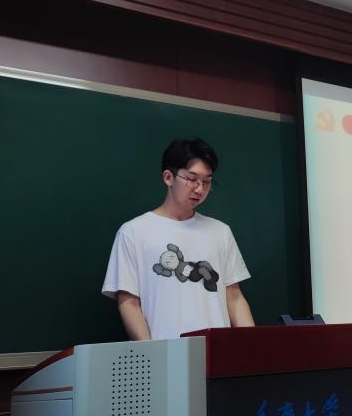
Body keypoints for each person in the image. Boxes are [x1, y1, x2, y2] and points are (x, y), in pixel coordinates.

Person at [102, 137, 254, 340]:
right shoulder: (133, 232)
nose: (200, 189)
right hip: (165, 352)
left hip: (218, 352)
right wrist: (151, 352)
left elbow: (234, 296)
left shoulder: (220, 231)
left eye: (207, 181)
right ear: (168, 177)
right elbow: (129, 302)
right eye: (191, 179)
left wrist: (252, 346)